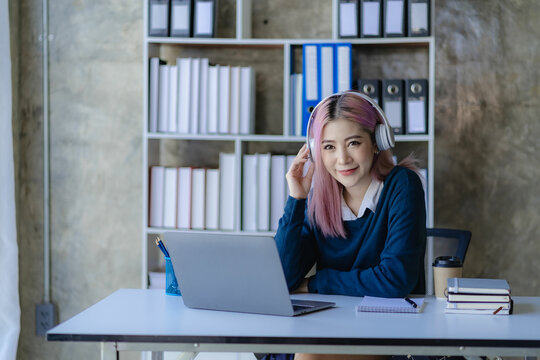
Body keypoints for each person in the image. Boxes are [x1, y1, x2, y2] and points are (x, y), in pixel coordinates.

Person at [262, 91, 427, 360]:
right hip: (329, 323)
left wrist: (316, 283)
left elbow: (395, 280)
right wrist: (297, 199)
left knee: (310, 355)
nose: (342, 159)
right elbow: (285, 278)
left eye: (353, 143)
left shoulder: (402, 185)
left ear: (377, 142)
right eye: (328, 147)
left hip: (388, 329)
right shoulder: (319, 197)